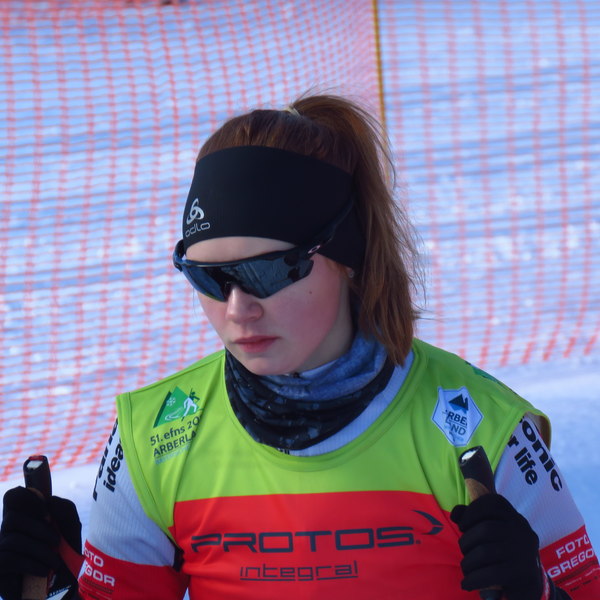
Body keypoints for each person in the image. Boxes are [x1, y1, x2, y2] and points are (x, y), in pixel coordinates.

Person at [1, 94, 599, 600]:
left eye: (268, 271)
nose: (237, 309)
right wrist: (59, 585)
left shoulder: (481, 428)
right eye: (208, 277)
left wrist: (544, 593)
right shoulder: (155, 436)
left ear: (347, 257)